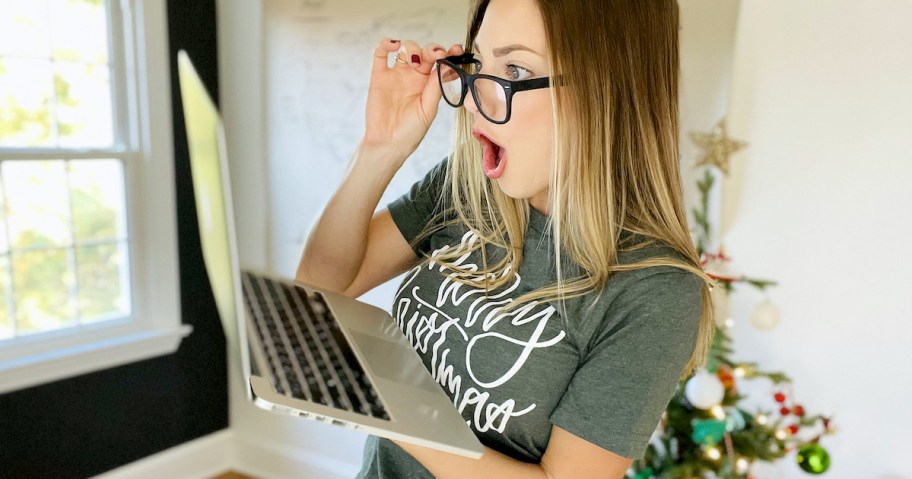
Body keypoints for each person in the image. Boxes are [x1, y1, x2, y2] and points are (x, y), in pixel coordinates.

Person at [296, 0, 716, 477]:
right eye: (478, 63)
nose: (474, 99)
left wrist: (387, 408)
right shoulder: (467, 184)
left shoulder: (655, 290)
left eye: (514, 69)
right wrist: (379, 147)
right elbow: (319, 286)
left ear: (607, 89)